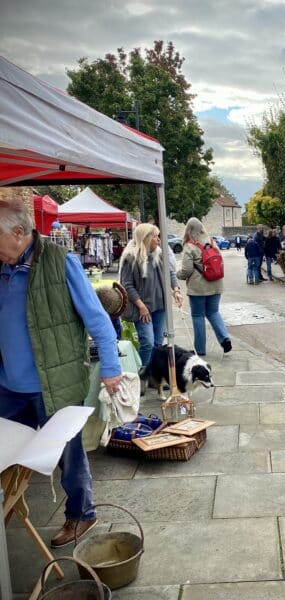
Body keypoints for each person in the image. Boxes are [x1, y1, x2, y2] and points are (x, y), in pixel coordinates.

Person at [0, 199, 122, 548]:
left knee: (69, 455)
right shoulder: (3, 265)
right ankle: (10, 503)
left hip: (53, 381)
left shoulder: (60, 262)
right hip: (8, 383)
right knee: (6, 450)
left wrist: (111, 368)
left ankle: (81, 513)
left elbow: (97, 318)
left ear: (19, 233)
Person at [119, 223, 183, 366]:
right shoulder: (130, 258)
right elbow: (127, 285)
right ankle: (142, 375)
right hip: (142, 309)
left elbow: (170, 273)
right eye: (155, 237)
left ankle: (153, 375)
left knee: (157, 343)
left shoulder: (160, 254)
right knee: (147, 342)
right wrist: (141, 306)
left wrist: (176, 290)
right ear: (146, 238)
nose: (158, 240)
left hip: (160, 306)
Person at [177, 218, 231, 355]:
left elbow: (187, 270)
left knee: (198, 316)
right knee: (213, 312)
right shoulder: (212, 242)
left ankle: (200, 349)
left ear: (188, 230)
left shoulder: (190, 246)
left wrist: (177, 275)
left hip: (198, 288)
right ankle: (225, 338)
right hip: (216, 284)